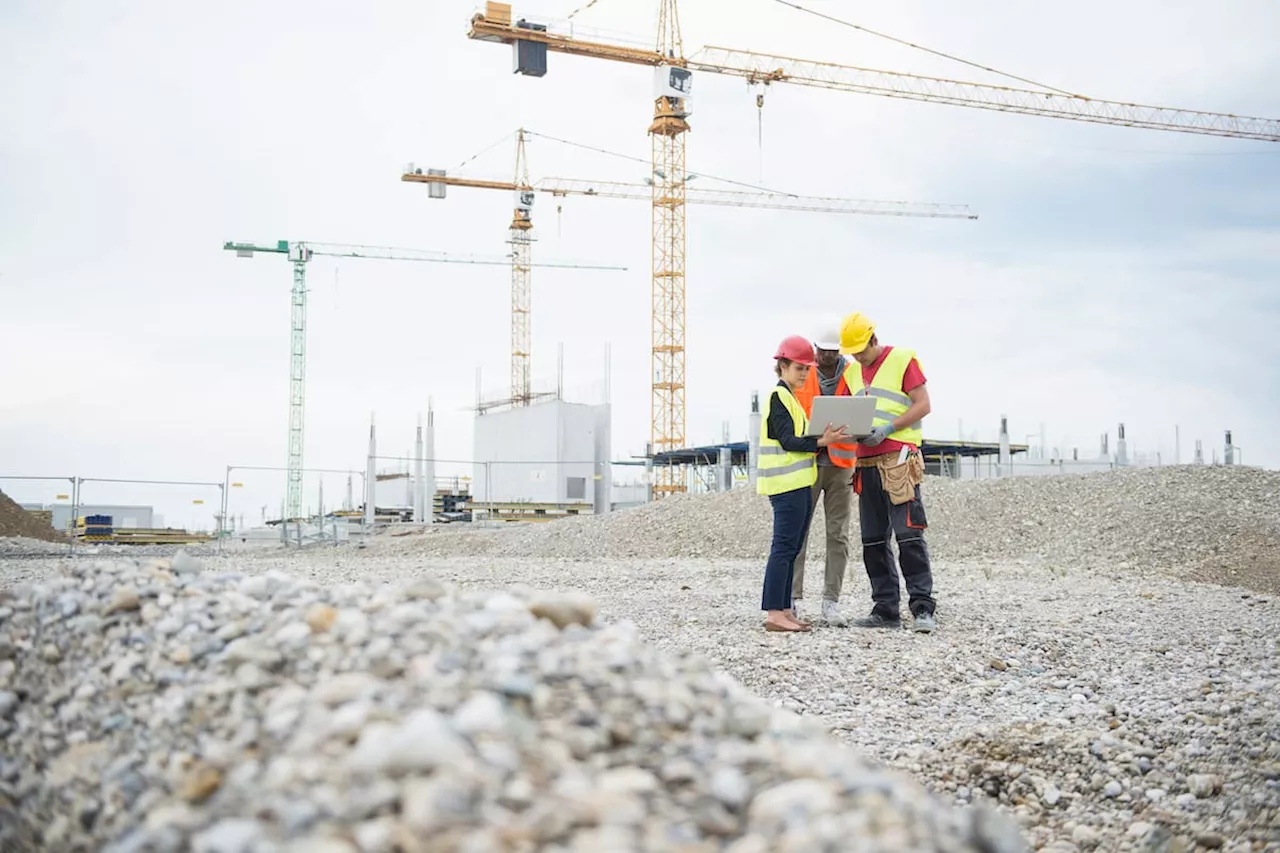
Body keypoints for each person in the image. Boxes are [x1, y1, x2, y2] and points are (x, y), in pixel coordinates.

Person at [837, 312, 938, 633]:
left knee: (909, 535)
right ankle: (885, 610)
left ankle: (922, 607)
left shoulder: (902, 360)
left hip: (898, 460)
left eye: (860, 351)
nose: (857, 357)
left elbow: (923, 404)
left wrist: (888, 429)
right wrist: (852, 433)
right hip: (865, 464)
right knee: (873, 541)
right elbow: (840, 413)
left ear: (874, 340)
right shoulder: (851, 374)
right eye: (851, 353)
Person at [757, 335, 848, 633]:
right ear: (782, 366)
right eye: (799, 368)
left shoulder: (791, 398)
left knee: (791, 546)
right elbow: (788, 440)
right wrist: (822, 441)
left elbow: (797, 438)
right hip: (785, 487)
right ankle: (774, 613)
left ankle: (784, 609)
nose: (804, 374)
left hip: (796, 485)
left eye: (807, 369)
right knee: (783, 548)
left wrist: (821, 440)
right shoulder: (778, 397)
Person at [789, 332, 861, 626]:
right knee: (798, 532)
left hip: (842, 462)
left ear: (838, 351)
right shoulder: (805, 372)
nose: (824, 357)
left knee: (838, 534)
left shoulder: (853, 373)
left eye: (830, 352)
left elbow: (863, 406)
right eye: (821, 351)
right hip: (808, 461)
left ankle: (831, 602)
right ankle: (791, 598)